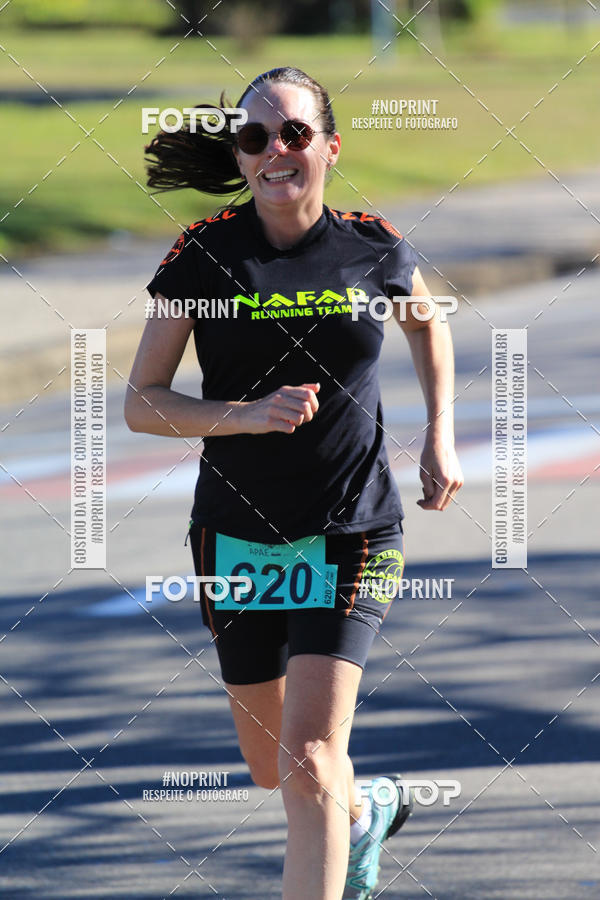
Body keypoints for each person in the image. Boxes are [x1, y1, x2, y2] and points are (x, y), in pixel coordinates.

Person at [125, 66, 463, 900]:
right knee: (279, 768)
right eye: (255, 138)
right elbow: (142, 402)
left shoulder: (372, 243)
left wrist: (439, 436)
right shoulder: (204, 255)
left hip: (354, 528)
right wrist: (243, 414)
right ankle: (368, 812)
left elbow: (428, 324)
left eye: (295, 134)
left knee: (311, 757)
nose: (276, 150)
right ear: (240, 158)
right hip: (237, 535)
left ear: (329, 148)